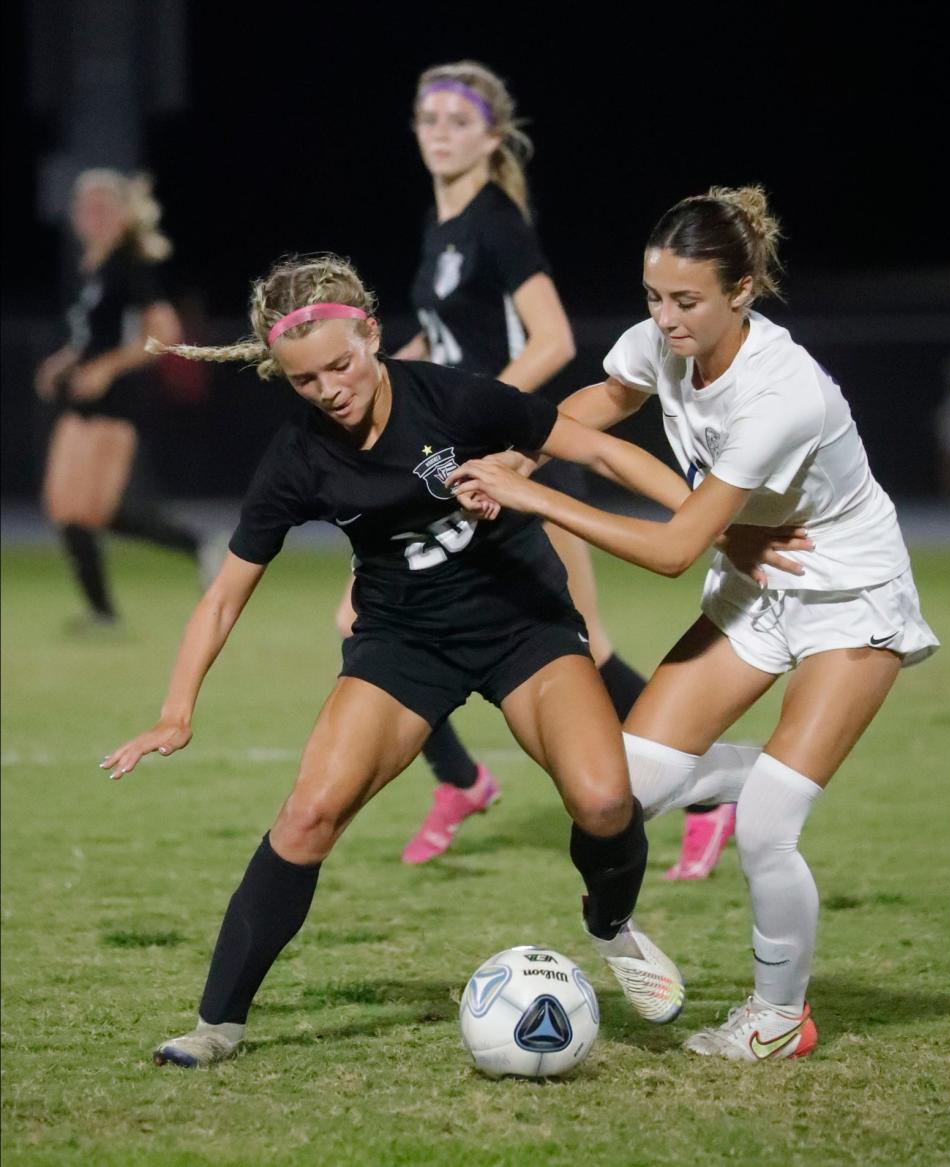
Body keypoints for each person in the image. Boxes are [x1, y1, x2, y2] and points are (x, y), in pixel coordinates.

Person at [100, 253, 699, 1068]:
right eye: (306, 380)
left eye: (342, 365)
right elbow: (224, 595)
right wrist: (178, 708)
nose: (330, 390)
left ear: (373, 336)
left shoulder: (454, 397)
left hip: (522, 623)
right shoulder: (298, 457)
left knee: (601, 802)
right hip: (402, 643)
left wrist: (707, 519)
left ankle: (609, 924)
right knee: (308, 813)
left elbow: (595, 451)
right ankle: (217, 1023)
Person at [448, 186, 940, 1062]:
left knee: (768, 829)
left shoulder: (780, 394)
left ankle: (779, 1015)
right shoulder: (658, 344)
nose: (664, 320)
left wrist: (532, 494)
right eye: (652, 297)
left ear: (742, 291)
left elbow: (677, 548)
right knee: (618, 794)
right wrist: (523, 451)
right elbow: (607, 395)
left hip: (845, 592)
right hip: (754, 586)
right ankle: (764, 776)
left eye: (686, 302)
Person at [343, 60, 731, 872]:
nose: (440, 132)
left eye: (457, 119)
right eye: (429, 117)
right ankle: (460, 778)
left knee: (579, 649)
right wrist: (361, 374)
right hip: (465, 465)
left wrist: (479, 413)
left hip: (518, 459)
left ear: (491, 135)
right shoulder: (441, 228)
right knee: (364, 619)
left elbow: (551, 342)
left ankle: (711, 794)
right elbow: (440, 349)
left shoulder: (495, 223)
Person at [34, 169, 221, 630]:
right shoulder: (92, 269)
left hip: (119, 404)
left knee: (91, 511)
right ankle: (106, 608)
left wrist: (104, 368)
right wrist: (64, 361)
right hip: (81, 403)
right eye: (84, 208)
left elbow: (165, 334)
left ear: (122, 215)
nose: (90, 217)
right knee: (71, 509)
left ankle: (196, 547)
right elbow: (91, 335)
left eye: (102, 208)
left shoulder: (131, 264)